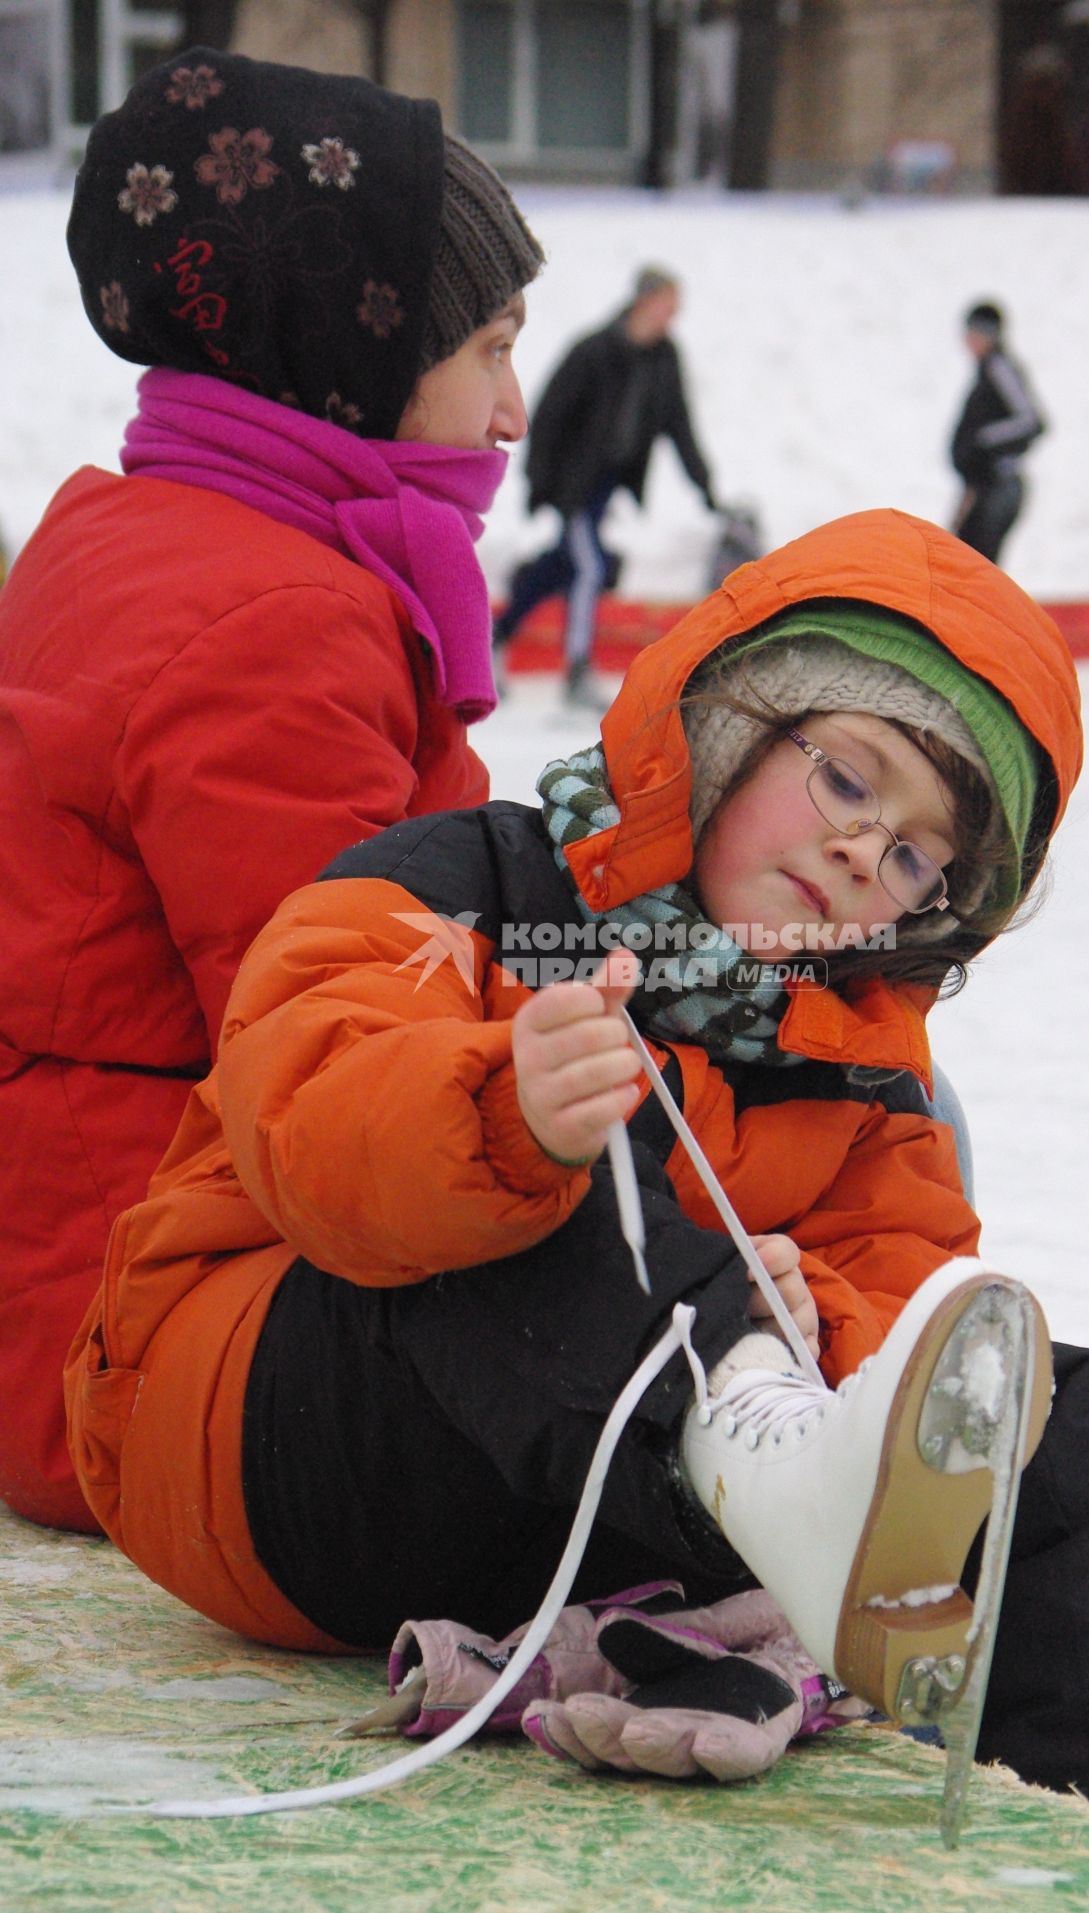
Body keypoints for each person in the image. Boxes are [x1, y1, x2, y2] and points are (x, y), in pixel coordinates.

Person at [65, 510, 1089, 1871]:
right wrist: (500, 1112)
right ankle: (762, 1453)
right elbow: (303, 1114)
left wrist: (808, 1319)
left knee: (1071, 1420)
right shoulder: (467, 883)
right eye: (845, 779)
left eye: (917, 858)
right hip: (264, 1438)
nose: (862, 855)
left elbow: (903, 1294)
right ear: (727, 726)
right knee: (567, 1180)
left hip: (603, 1507)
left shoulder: (864, 1068)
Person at [0, 46, 544, 1534]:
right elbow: (352, 1050)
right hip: (147, 1337)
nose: (513, 412)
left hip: (75, 1265)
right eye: (489, 346)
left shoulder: (137, 528)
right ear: (354, 350)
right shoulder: (274, 626)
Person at [491, 265, 718, 709]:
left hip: (605, 488)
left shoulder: (663, 359)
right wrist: (539, 483)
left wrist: (703, 485)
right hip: (572, 486)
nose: (672, 315)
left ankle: (493, 638)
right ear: (645, 301)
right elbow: (551, 414)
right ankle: (577, 671)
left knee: (565, 566)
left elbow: (678, 423)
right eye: (667, 304)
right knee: (591, 568)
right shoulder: (594, 351)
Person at [949, 301, 1046, 566]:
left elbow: (1032, 421)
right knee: (967, 562)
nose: (967, 339)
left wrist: (982, 442)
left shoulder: (998, 366)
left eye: (973, 332)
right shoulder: (987, 369)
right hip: (985, 486)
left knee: (974, 567)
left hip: (998, 485)